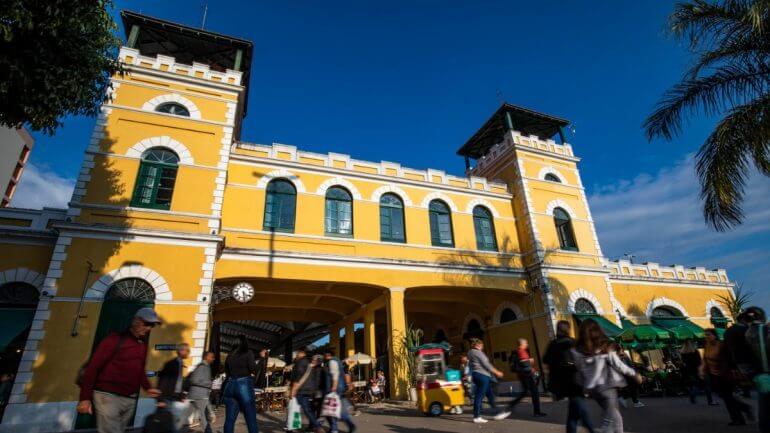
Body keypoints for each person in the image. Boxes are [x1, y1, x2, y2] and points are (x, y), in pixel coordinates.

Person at [77, 308, 162, 433]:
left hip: (129, 399)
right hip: (108, 396)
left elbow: (139, 370)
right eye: (147, 323)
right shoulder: (114, 339)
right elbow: (93, 368)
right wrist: (85, 398)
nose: (149, 328)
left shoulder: (142, 345)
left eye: (152, 325)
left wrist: (148, 388)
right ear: (136, 321)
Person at [571, 319, 642, 433]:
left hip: (594, 390)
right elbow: (618, 364)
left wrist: (586, 386)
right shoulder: (604, 346)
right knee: (609, 421)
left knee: (616, 417)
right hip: (607, 386)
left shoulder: (577, 351)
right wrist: (634, 374)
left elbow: (580, 370)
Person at [543, 320, 595, 433]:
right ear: (568, 329)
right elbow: (584, 357)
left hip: (562, 383)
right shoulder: (572, 342)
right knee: (582, 410)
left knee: (573, 413)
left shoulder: (553, 344)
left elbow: (545, 359)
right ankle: (592, 430)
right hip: (575, 381)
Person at [702, 328, 753, 426]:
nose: (706, 337)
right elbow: (705, 359)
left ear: (715, 336)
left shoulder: (721, 345)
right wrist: (703, 369)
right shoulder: (707, 346)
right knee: (726, 397)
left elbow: (728, 358)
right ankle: (744, 409)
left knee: (728, 398)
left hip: (724, 375)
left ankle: (738, 419)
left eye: (708, 335)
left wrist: (725, 370)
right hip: (713, 375)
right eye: (705, 335)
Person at [499, 338, 546, 418]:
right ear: (522, 344)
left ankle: (511, 405)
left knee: (525, 393)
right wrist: (530, 361)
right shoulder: (521, 352)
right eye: (526, 343)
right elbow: (524, 364)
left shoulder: (516, 352)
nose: (527, 344)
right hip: (527, 375)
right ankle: (536, 412)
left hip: (523, 375)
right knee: (534, 392)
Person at [223, 335, 258, 433]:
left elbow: (227, 373)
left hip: (230, 385)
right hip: (244, 385)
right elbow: (253, 369)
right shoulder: (248, 353)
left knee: (229, 420)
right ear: (245, 343)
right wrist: (261, 360)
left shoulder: (229, 355)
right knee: (251, 418)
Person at [467, 338, 507, 423]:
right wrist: (497, 372)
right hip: (482, 375)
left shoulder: (470, 352)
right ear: (478, 345)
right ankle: (476, 416)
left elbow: (471, 364)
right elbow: (487, 364)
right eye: (482, 345)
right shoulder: (478, 352)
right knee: (479, 396)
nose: (482, 347)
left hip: (476, 374)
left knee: (490, 395)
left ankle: (497, 413)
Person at [743, 306, 770, 432]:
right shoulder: (765, 330)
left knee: (764, 407)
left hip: (761, 375)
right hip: (766, 371)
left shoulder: (747, 333)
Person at [158, 343, 191, 432]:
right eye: (187, 351)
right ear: (181, 351)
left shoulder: (181, 364)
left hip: (175, 398)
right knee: (168, 425)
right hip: (167, 398)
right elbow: (163, 381)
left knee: (171, 423)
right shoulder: (171, 364)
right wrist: (160, 399)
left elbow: (178, 382)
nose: (188, 353)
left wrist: (181, 395)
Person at [323, 349, 356, 433]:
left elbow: (335, 375)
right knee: (338, 410)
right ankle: (350, 425)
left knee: (332, 409)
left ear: (327, 354)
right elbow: (344, 374)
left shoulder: (332, 362)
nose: (324, 356)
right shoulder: (338, 361)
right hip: (339, 388)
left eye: (324, 354)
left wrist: (334, 387)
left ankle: (334, 429)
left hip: (334, 389)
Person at [290, 348, 322, 433]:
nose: (296, 356)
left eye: (297, 355)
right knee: (304, 408)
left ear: (301, 354)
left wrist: (294, 389)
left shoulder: (300, 362)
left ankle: (316, 425)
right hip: (308, 389)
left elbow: (298, 377)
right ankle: (292, 426)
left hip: (302, 389)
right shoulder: (308, 362)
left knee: (305, 408)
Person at [680, 339, 715, 405]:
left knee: (697, 384)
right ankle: (710, 401)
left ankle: (693, 394)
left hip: (690, 371)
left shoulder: (683, 353)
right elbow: (699, 361)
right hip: (698, 369)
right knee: (706, 384)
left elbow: (684, 363)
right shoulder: (695, 351)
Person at [188, 351, 215, 433]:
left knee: (186, 415)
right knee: (204, 416)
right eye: (211, 357)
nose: (213, 359)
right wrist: (208, 383)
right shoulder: (202, 366)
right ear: (206, 357)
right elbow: (194, 380)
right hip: (199, 395)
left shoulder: (206, 366)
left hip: (197, 394)